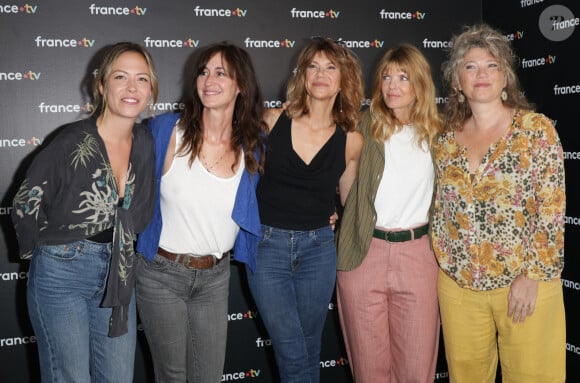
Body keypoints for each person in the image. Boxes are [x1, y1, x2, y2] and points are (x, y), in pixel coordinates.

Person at [11, 42, 158, 382]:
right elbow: (25, 203)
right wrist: (49, 252)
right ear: (102, 85)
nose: (132, 87)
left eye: (142, 79)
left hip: (118, 271)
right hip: (63, 273)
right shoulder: (71, 141)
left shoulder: (145, 142)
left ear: (151, 90)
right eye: (121, 77)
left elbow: (143, 210)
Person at [431, 23, 566, 382]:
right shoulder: (444, 141)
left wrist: (532, 276)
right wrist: (446, 262)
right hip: (459, 288)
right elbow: (441, 211)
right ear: (457, 82)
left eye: (492, 65)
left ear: (506, 77)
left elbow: (550, 210)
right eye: (470, 66)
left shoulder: (535, 130)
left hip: (525, 285)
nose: (482, 74)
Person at [135, 42, 266, 383]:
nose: (209, 80)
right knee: (173, 376)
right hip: (161, 273)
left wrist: (329, 211)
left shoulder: (254, 144)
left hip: (214, 278)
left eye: (221, 73)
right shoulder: (166, 130)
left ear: (241, 85)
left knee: (208, 376)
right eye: (204, 71)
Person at [246, 37, 364, 383]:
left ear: (345, 78)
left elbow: (349, 200)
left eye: (331, 67)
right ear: (302, 74)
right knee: (291, 348)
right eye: (313, 66)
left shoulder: (351, 139)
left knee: (309, 346)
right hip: (268, 248)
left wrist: (336, 216)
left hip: (318, 252)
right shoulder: (271, 121)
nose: (321, 74)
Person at [335, 43, 442, 382]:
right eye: (386, 76)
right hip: (364, 253)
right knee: (369, 370)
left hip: (419, 255)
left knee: (416, 367)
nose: (392, 85)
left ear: (420, 84)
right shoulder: (362, 126)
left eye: (403, 77)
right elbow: (344, 183)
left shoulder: (442, 134)